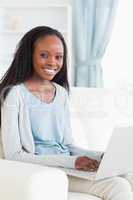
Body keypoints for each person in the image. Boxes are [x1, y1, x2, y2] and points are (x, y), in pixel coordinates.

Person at [0, 26, 133, 200]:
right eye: (43, 55)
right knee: (118, 185)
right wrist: (72, 162)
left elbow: (68, 145)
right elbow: (13, 155)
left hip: (68, 166)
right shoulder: (15, 95)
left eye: (59, 57)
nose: (52, 62)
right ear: (29, 55)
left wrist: (101, 156)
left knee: (129, 176)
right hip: (45, 171)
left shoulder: (61, 93)